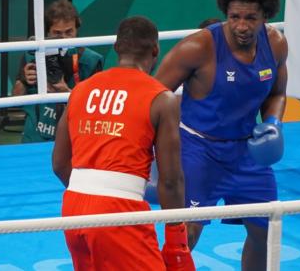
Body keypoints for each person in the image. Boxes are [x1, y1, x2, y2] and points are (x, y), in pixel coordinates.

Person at [155, 0, 287, 271]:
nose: (241, 25)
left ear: (265, 15)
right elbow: (152, 98)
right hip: (198, 150)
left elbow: (277, 93)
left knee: (265, 228)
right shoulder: (198, 48)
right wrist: (155, 153)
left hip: (247, 152)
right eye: (234, 16)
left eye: (251, 18)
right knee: (185, 233)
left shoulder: (276, 44)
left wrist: (273, 123)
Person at [52, 16, 195, 271]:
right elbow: (171, 180)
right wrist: (177, 238)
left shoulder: (82, 90)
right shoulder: (161, 98)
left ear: (117, 47)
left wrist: (90, 192)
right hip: (119, 212)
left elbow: (59, 163)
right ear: (155, 50)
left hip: (73, 205)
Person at [13, 0, 104, 143]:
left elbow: (96, 111)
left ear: (77, 28)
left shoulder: (91, 61)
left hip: (75, 137)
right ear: (48, 31)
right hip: (36, 137)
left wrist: (68, 94)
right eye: (57, 33)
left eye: (69, 32)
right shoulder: (32, 54)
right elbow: (16, 99)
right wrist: (24, 80)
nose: (63, 38)